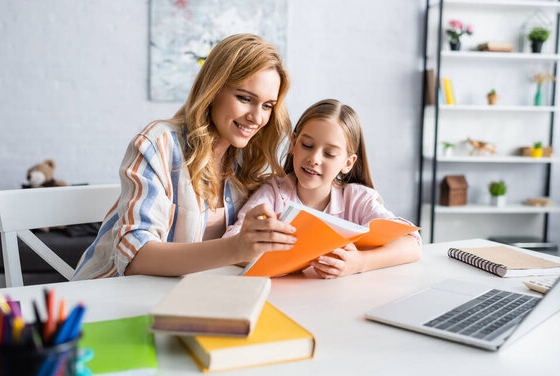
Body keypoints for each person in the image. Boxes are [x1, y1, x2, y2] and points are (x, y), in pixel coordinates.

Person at [72, 34, 298, 280]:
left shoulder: (247, 159)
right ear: (213, 89)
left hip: (186, 299)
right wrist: (236, 248)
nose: (257, 117)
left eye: (267, 106)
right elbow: (135, 257)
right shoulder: (158, 144)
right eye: (245, 98)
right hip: (107, 299)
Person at [224, 99, 421, 279]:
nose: (314, 159)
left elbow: (412, 244)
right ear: (293, 144)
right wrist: (290, 258)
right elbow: (232, 243)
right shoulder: (274, 193)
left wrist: (360, 262)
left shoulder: (358, 199)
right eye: (307, 145)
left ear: (348, 162)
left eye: (329, 153)